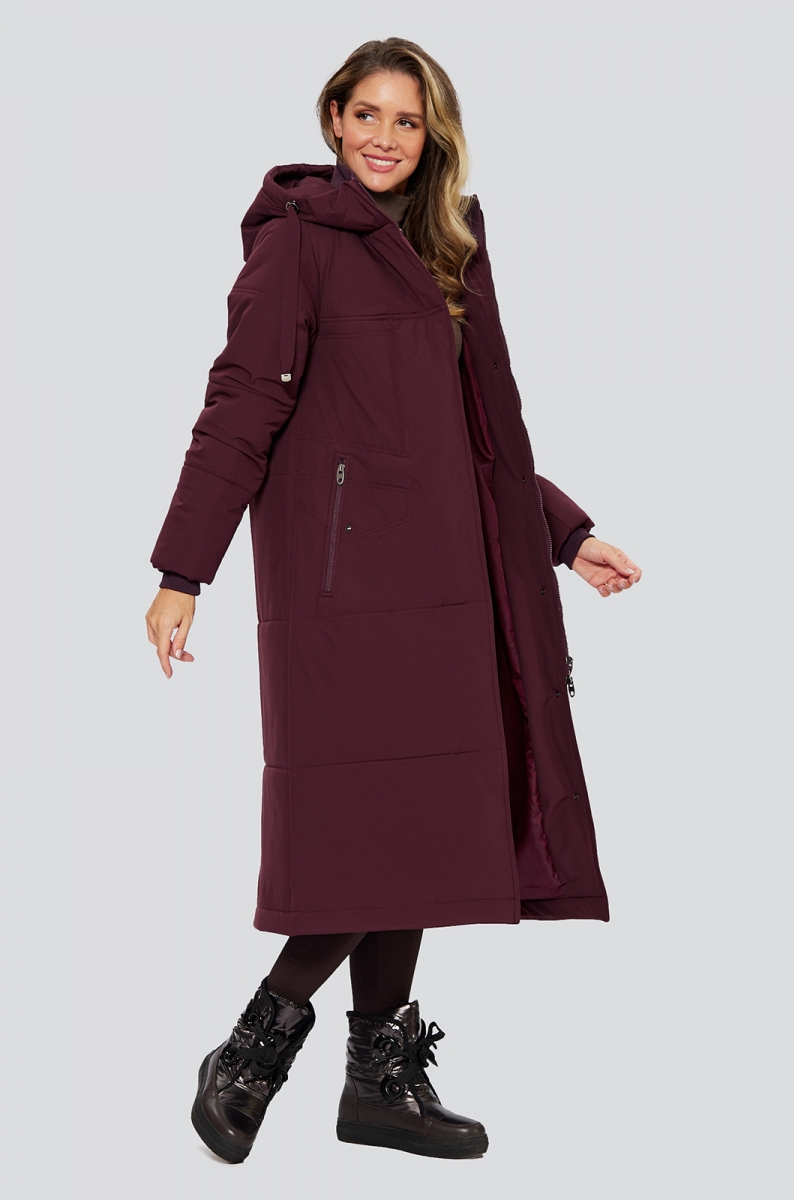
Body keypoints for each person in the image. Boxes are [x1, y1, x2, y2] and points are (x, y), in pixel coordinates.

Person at [146, 37, 641, 1164]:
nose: (383, 137)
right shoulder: (297, 243)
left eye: (405, 121)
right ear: (332, 118)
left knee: (417, 821)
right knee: (369, 826)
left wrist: (565, 535)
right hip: (347, 594)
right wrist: (183, 572)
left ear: (433, 136)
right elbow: (241, 404)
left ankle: (378, 1085)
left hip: (448, 592)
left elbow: (477, 441)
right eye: (365, 114)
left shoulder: (448, 246)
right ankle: (253, 1049)